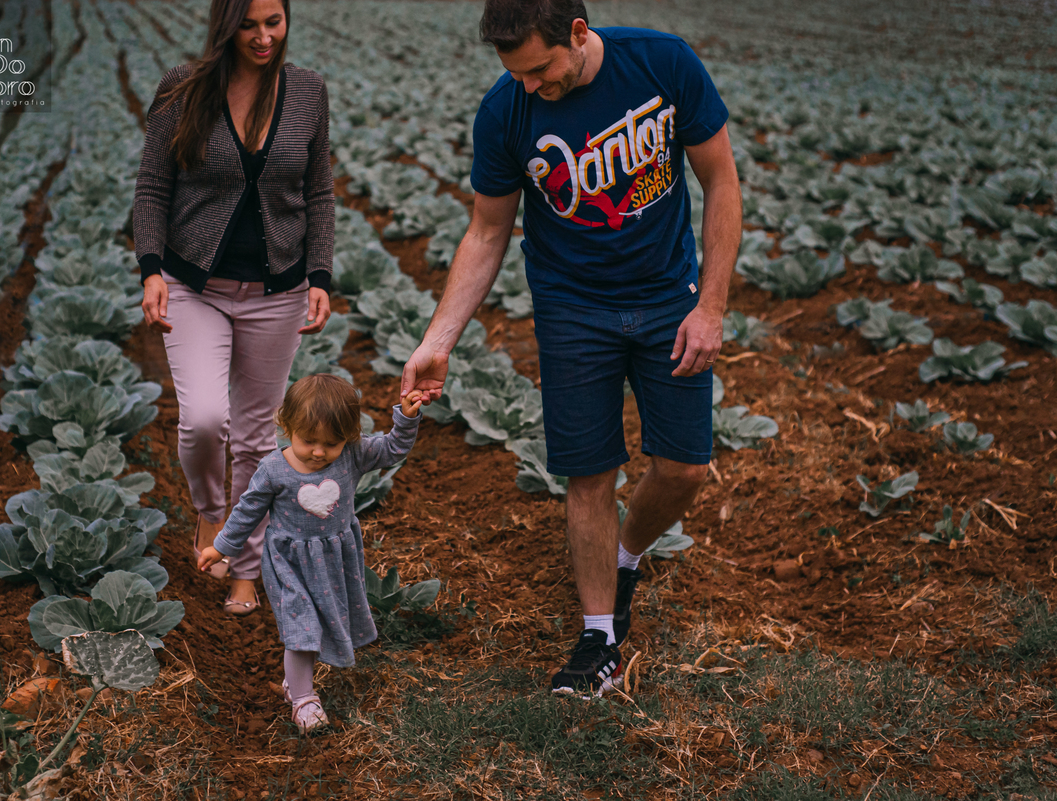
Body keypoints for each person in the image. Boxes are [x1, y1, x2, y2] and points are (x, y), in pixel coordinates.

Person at [400, 0, 742, 696]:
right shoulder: (506, 111)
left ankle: (626, 554)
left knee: (684, 469)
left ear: (579, 34)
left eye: (539, 69)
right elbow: (486, 232)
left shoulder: (663, 63)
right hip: (572, 308)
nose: (529, 85)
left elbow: (721, 182)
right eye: (516, 74)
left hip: (668, 299)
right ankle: (598, 639)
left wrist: (710, 306)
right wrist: (438, 339)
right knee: (589, 474)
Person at [132, 0, 335, 615]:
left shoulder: (307, 91)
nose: (263, 36)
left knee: (254, 437)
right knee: (203, 420)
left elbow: (319, 190)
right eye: (249, 24)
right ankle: (209, 511)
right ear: (226, 24)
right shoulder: (184, 88)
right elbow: (153, 185)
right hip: (194, 284)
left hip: (279, 291)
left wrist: (320, 274)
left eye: (273, 21)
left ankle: (245, 568)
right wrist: (150, 270)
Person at [199, 374, 424, 732]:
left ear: (349, 436)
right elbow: (247, 512)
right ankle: (303, 699)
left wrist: (407, 418)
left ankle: (296, 681)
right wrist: (222, 547)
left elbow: (393, 449)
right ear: (286, 427)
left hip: (336, 559)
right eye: (308, 441)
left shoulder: (353, 454)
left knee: (323, 621)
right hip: (288, 562)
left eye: (331, 443)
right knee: (301, 627)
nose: (319, 452)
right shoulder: (273, 470)